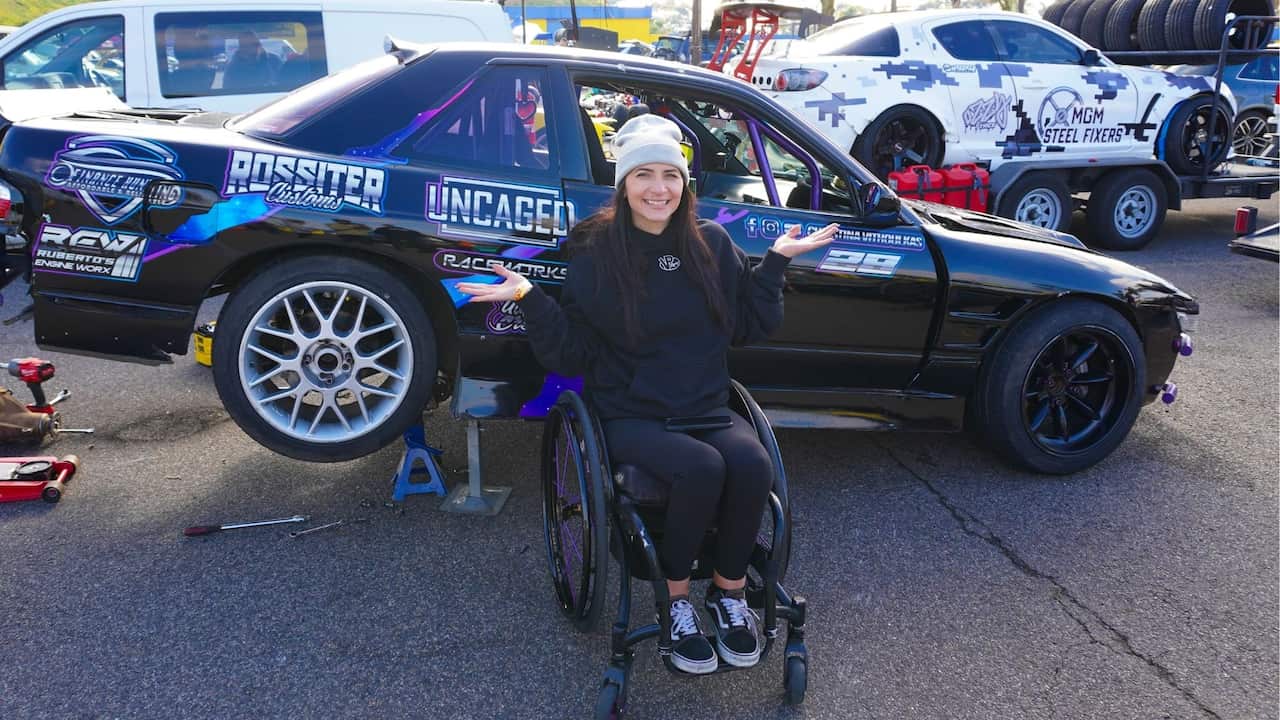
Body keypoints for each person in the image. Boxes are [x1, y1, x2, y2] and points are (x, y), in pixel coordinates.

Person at [458, 114, 837, 674]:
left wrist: (776, 262)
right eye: (644, 175)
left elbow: (748, 326)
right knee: (701, 469)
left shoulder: (711, 242)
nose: (659, 188)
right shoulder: (597, 252)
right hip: (631, 409)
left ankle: (729, 596)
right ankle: (676, 602)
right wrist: (531, 297)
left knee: (754, 465)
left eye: (670, 175)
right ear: (624, 184)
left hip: (704, 404)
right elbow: (572, 353)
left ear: (685, 184)